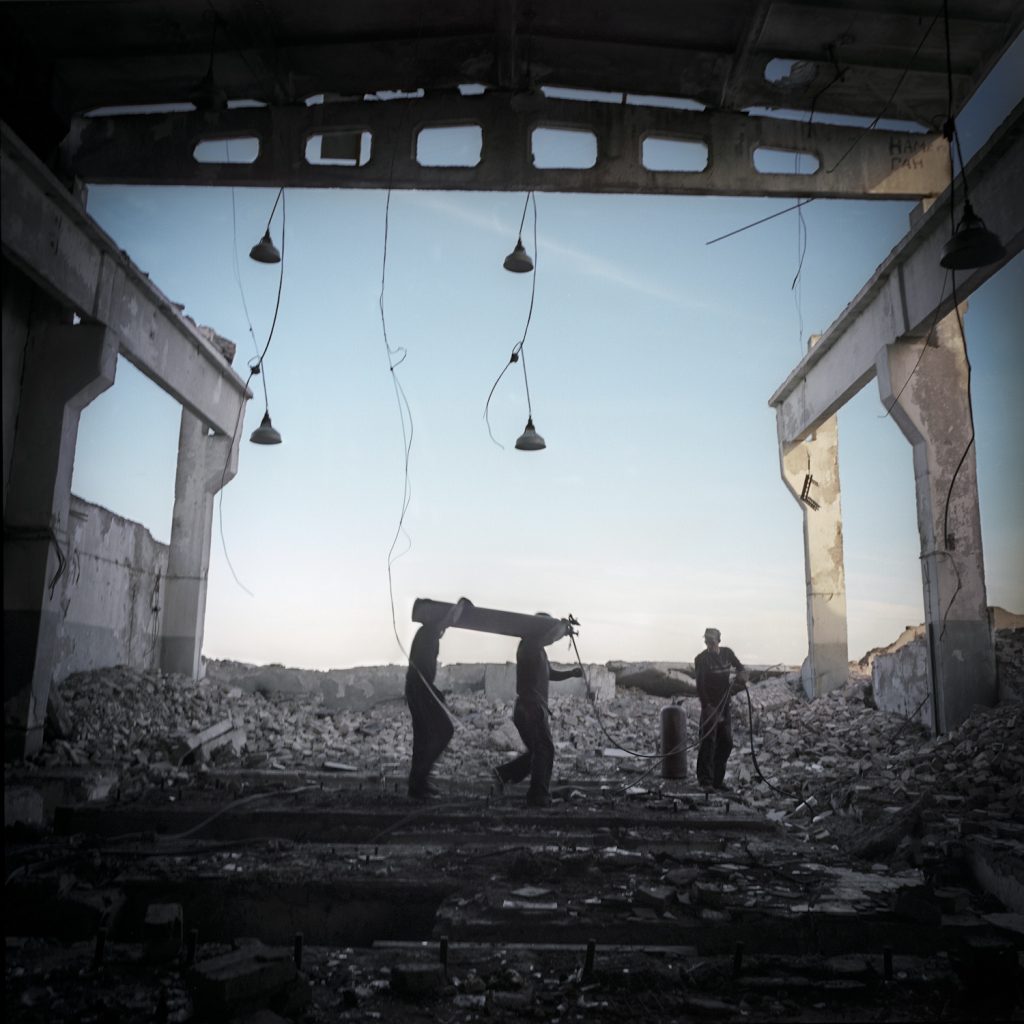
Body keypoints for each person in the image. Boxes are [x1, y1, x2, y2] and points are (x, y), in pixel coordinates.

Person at [493, 614, 583, 807]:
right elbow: (552, 635)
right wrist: (563, 626)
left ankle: (503, 775)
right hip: (531, 708)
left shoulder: (537, 650)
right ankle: (538, 796)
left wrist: (571, 673)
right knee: (545, 749)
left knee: (537, 751)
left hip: (529, 708)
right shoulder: (529, 644)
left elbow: (549, 673)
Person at [405, 611, 455, 800]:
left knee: (423, 738)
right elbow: (422, 671)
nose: (446, 628)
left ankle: (418, 785)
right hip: (420, 689)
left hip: (418, 688)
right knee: (444, 730)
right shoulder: (429, 634)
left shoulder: (427, 633)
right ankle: (419, 780)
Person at [694, 627, 747, 791]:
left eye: (712, 641)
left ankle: (718, 780)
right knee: (708, 743)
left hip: (725, 705)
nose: (709, 645)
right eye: (707, 642)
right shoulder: (701, 659)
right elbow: (700, 686)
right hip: (710, 706)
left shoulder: (727, 654)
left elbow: (741, 668)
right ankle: (705, 781)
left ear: (718, 641)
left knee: (726, 743)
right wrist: (707, 707)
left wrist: (742, 676)